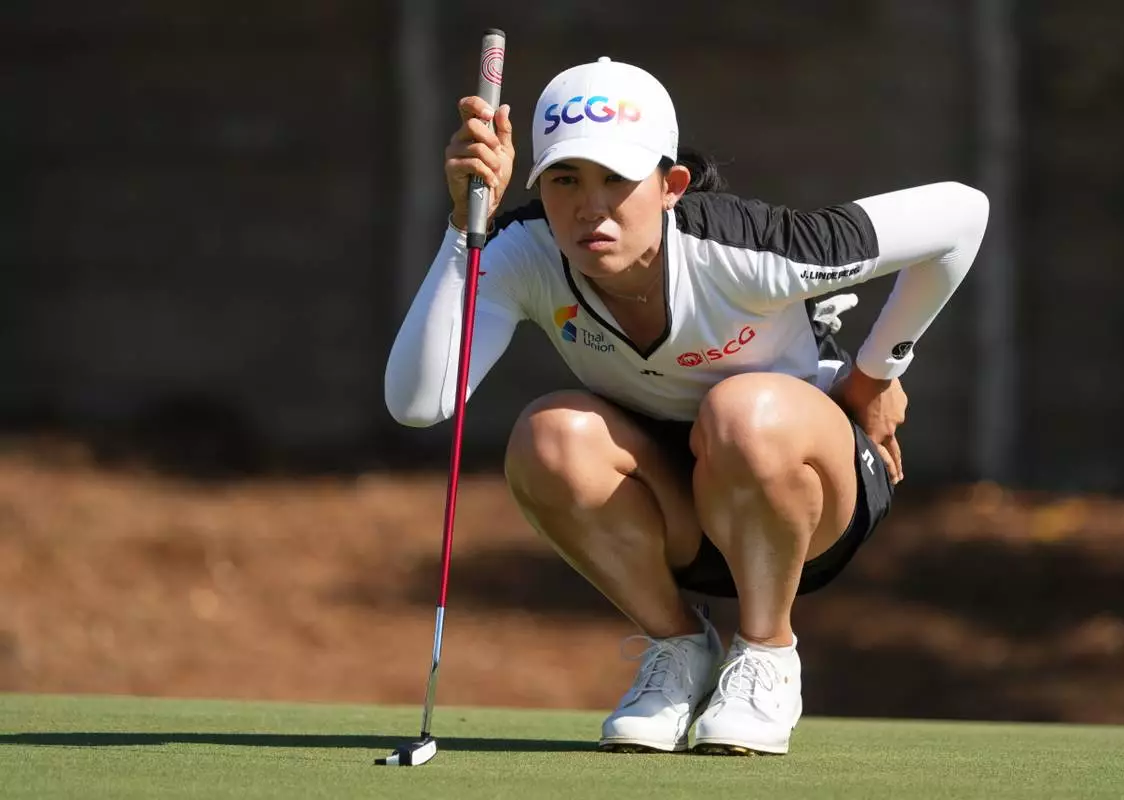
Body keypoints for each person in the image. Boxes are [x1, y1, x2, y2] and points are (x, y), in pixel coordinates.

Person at [384, 56, 989, 756]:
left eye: (617, 180)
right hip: (676, 517)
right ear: (538, 185)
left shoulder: (752, 249)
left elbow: (961, 213)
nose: (590, 207)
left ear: (670, 186)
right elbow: (420, 401)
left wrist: (876, 372)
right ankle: (679, 650)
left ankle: (767, 654)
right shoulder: (524, 249)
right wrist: (465, 227)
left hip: (810, 501)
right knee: (548, 436)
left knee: (743, 413)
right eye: (565, 180)